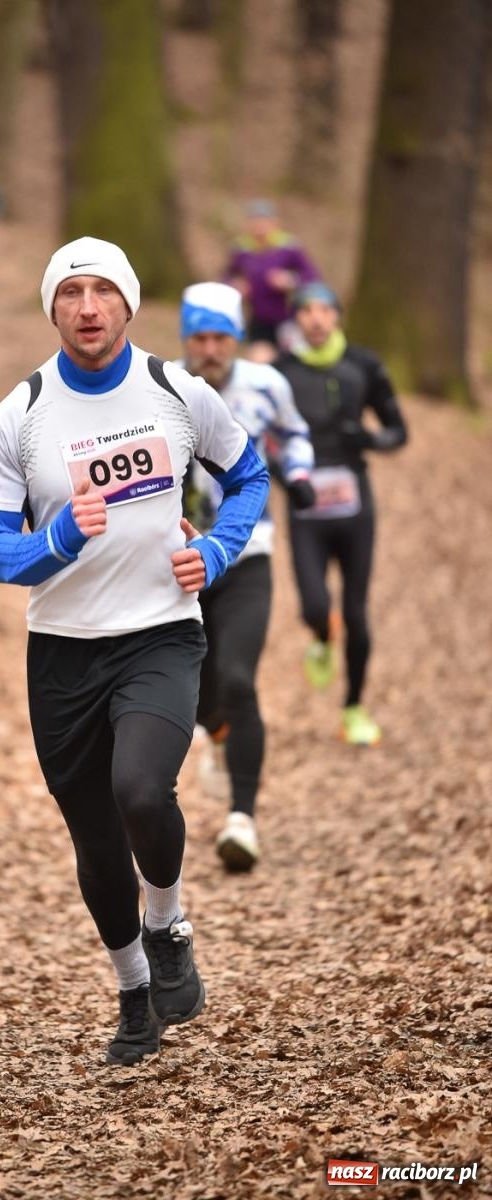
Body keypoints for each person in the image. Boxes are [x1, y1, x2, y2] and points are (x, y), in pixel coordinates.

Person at [0, 237, 269, 1066]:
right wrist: (56, 538)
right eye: (72, 293)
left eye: (104, 292)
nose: (89, 307)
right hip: (62, 652)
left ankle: (167, 921)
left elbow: (249, 478)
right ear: (52, 308)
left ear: (129, 305)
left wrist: (214, 553)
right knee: (96, 843)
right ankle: (133, 989)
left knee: (142, 791)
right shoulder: (20, 414)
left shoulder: (176, 391)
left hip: (161, 634)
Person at [177, 282, 315, 871]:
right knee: (198, 692)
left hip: (248, 551)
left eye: (221, 338)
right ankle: (220, 733)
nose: (210, 348)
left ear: (236, 339)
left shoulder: (266, 385)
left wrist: (302, 475)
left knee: (238, 675)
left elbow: (295, 434)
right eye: (200, 337)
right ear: (187, 338)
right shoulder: (164, 388)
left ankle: (243, 818)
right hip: (184, 556)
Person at [275, 282, 408, 746]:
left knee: (357, 611)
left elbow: (398, 431)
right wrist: (286, 475)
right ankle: (320, 635)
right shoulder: (281, 372)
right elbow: (263, 440)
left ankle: (353, 707)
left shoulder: (364, 366)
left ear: (337, 317)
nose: (315, 319)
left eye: (324, 310)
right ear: (295, 318)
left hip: (355, 508)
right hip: (306, 508)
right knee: (315, 607)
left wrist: (368, 439)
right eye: (306, 310)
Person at [221, 199, 320, 353]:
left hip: (288, 319)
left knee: (291, 359)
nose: (260, 227)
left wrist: (290, 280)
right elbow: (226, 278)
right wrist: (236, 286)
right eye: (255, 221)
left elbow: (312, 276)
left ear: (275, 223)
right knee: (260, 361)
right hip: (258, 320)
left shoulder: (289, 246)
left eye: (264, 221)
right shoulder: (241, 249)